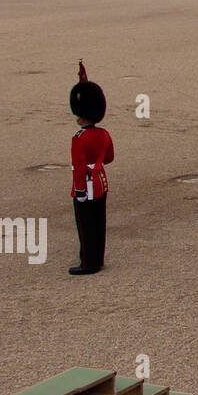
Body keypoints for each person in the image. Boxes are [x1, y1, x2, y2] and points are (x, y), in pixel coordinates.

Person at [68, 60, 113, 275]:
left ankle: (88, 263)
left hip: (86, 186)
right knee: (99, 222)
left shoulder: (80, 138)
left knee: (86, 226)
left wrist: (79, 190)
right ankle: (98, 258)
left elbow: (78, 169)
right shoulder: (103, 134)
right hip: (101, 182)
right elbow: (109, 158)